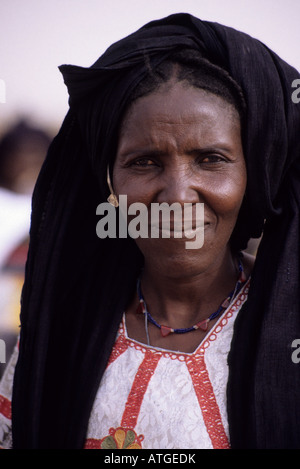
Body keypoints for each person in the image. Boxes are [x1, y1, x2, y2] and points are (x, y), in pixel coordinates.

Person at [0, 13, 299, 449]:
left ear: (254, 174)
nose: (178, 197)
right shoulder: (58, 326)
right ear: (110, 183)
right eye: (145, 162)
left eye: (211, 159)